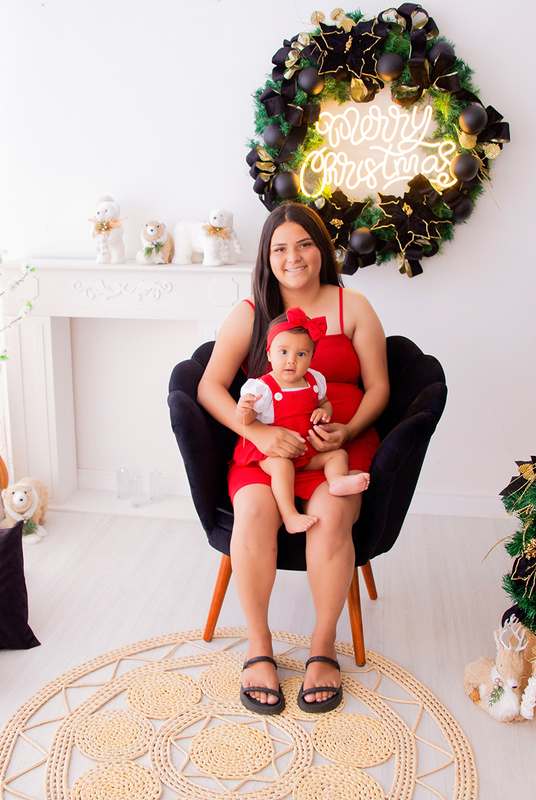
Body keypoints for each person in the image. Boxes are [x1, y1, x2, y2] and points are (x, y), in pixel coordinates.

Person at [197, 202, 388, 715]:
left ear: (321, 249)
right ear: (266, 256)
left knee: (329, 518)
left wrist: (346, 429)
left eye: (304, 243)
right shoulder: (251, 313)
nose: (293, 257)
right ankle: (259, 647)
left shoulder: (354, 307)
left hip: (336, 449)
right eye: (279, 248)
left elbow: (380, 388)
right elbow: (209, 387)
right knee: (255, 511)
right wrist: (257, 435)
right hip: (269, 453)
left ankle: (323, 646)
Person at [234, 308, 370, 535]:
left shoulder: (314, 380)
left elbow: (324, 402)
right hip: (271, 454)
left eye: (301, 354)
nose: (291, 361)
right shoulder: (262, 388)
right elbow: (246, 421)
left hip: (305, 451)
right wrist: (244, 410)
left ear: (311, 356)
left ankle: (336, 480)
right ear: (269, 354)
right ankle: (289, 515)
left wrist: (324, 411)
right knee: (282, 466)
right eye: (283, 352)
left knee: (338, 455)